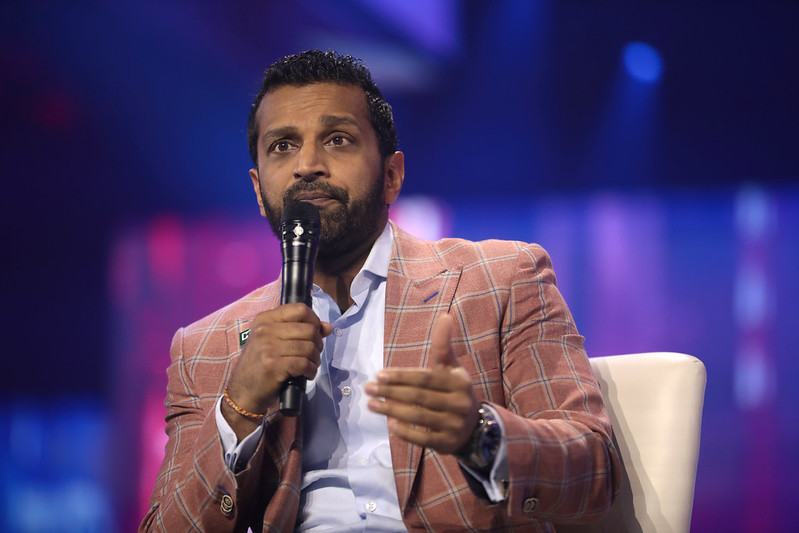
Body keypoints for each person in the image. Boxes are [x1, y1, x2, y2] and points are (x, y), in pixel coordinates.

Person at [140, 50, 620, 532]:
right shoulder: (204, 349)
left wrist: (479, 436)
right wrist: (238, 407)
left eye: (337, 139)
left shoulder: (501, 279)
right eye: (282, 146)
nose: (307, 165)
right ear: (258, 190)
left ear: (392, 175)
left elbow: (595, 469)